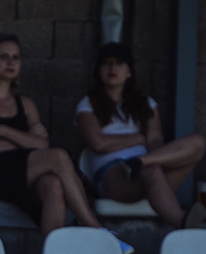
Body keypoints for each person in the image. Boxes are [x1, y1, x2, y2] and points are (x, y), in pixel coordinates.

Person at [0, 33, 130, 252]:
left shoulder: (26, 104)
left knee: (54, 185)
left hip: (24, 171)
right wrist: (26, 141)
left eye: (16, 57)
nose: (11, 62)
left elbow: (42, 145)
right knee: (58, 157)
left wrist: (3, 131)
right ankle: (97, 231)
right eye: (3, 57)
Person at [75, 40, 206, 230]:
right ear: (99, 71)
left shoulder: (146, 103)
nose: (113, 67)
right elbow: (99, 143)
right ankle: (182, 223)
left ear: (129, 71)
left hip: (149, 167)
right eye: (107, 63)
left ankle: (140, 163)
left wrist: (149, 159)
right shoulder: (87, 104)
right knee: (151, 170)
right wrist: (139, 138)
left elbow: (155, 141)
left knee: (198, 143)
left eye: (119, 63)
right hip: (113, 175)